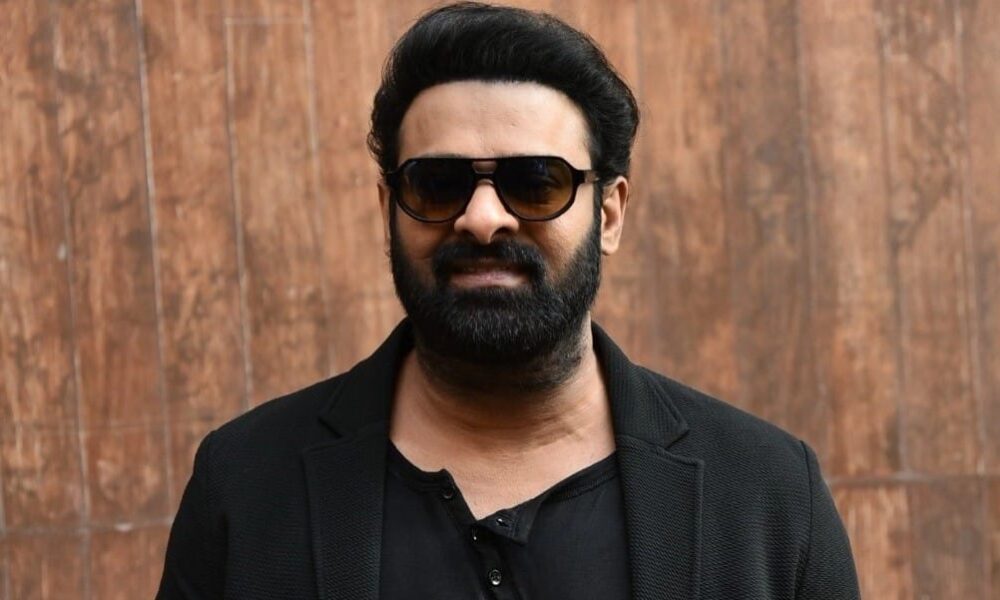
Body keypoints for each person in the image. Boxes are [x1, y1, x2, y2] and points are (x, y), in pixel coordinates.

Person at [157, 3, 860, 599]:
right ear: (387, 210)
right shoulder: (246, 485)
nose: (483, 218)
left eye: (536, 182)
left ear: (609, 214)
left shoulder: (769, 496)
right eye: (437, 185)